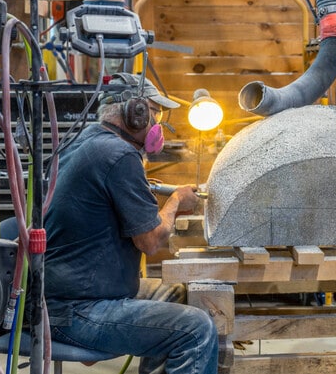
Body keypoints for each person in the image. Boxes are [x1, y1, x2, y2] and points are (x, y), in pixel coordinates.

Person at [43, 72, 219, 374]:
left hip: (62, 299)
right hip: (79, 311)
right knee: (196, 330)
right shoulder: (119, 154)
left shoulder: (87, 142)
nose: (158, 124)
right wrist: (175, 203)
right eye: (154, 113)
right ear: (134, 113)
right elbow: (150, 241)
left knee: (174, 293)